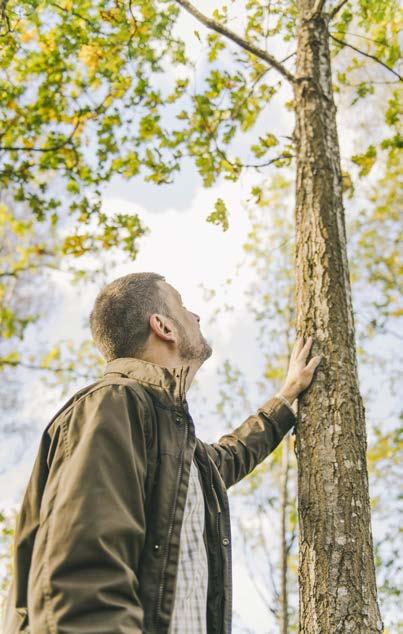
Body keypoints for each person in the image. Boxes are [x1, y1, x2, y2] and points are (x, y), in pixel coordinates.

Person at [2, 272, 322, 634]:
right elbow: (83, 578)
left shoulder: (174, 442)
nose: (196, 316)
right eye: (183, 306)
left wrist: (286, 397)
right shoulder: (114, 404)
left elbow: (230, 457)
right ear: (163, 326)